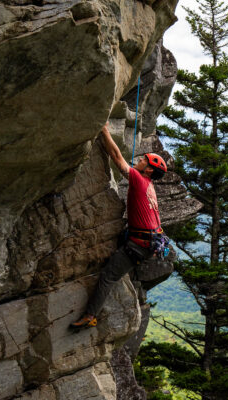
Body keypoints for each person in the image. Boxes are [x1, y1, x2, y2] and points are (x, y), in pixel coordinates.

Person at [70, 122, 168, 329]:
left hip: (139, 245)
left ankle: (90, 316)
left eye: (144, 160)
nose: (140, 160)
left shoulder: (140, 180)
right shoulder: (149, 186)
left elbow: (116, 157)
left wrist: (104, 130)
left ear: (149, 169)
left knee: (108, 277)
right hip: (148, 241)